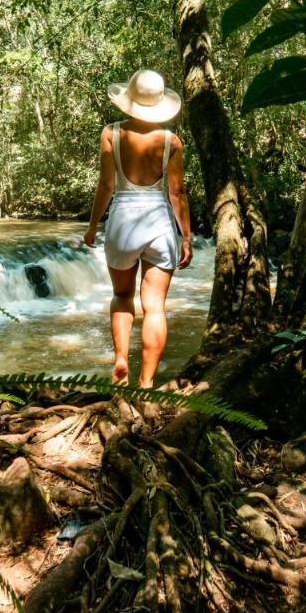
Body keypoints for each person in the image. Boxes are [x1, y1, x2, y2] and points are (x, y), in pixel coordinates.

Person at [83, 69, 192, 388]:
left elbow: (105, 185)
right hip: (159, 223)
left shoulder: (111, 133)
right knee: (155, 307)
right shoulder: (172, 141)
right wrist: (186, 235)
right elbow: (177, 193)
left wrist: (92, 227)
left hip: (122, 222)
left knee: (121, 295)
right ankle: (146, 384)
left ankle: (120, 359)